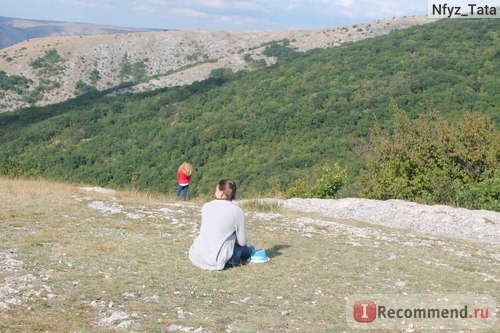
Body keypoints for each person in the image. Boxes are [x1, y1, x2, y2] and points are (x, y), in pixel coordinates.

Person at [189, 179, 254, 270]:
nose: (215, 192)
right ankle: (250, 251)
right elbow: (242, 242)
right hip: (217, 261)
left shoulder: (206, 206)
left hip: (197, 255)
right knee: (241, 246)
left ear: (222, 193)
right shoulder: (237, 211)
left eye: (216, 190)